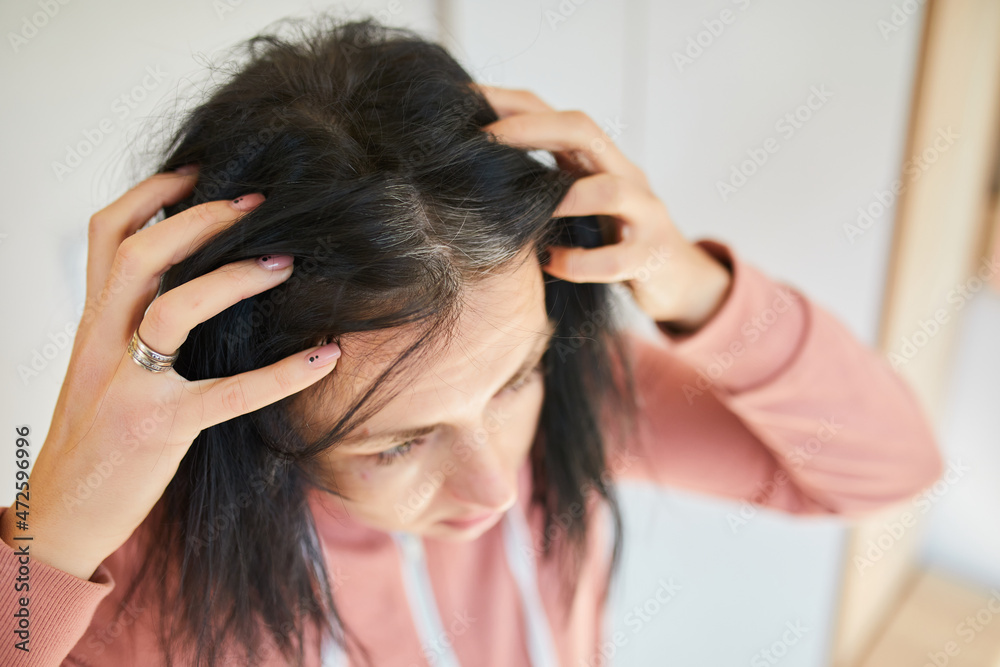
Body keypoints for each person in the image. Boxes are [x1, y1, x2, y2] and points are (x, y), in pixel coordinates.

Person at [0, 15, 943, 667]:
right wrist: (53, 529)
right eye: (396, 443)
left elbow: (887, 468)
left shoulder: (585, 391)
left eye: (516, 379)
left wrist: (699, 290)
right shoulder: (130, 587)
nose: (495, 488)